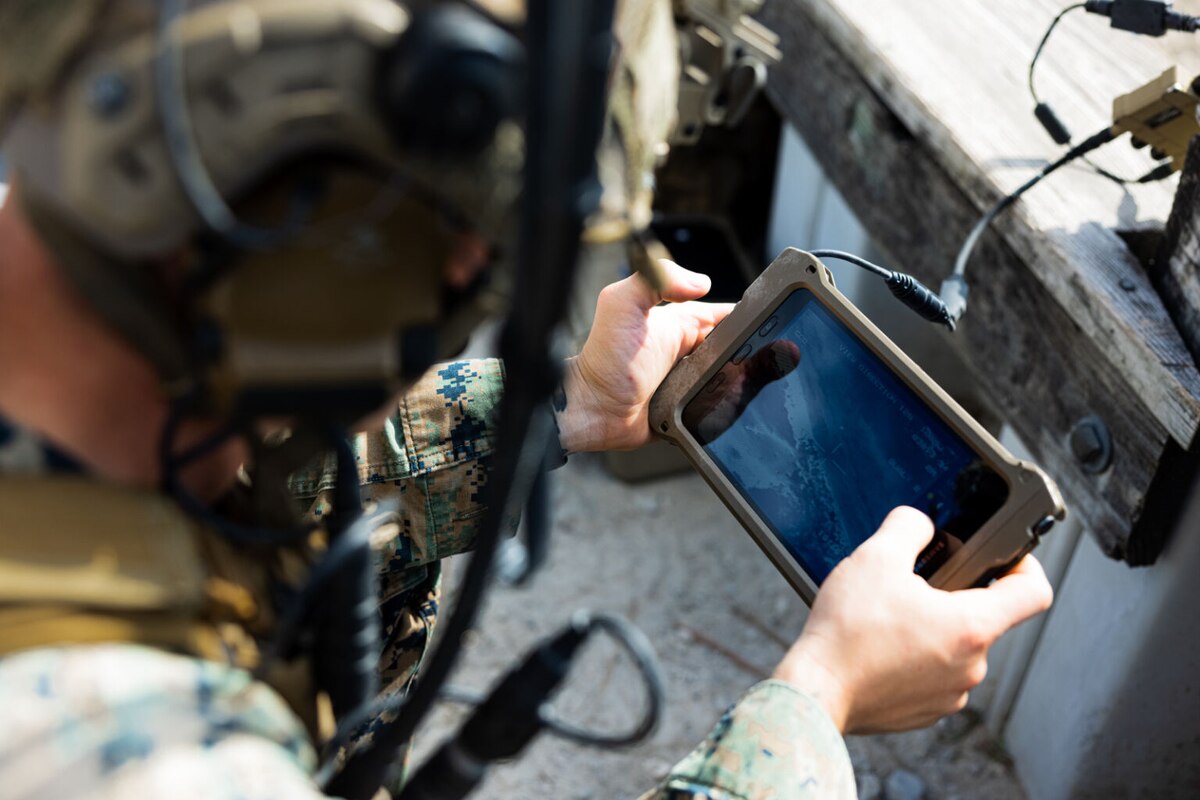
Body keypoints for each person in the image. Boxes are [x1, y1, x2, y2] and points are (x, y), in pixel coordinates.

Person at [0, 1, 1054, 798]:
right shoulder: (136, 755)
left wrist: (556, 408)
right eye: (473, 246)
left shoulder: (100, 399)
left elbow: (277, 466)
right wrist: (817, 704)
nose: (474, 283)